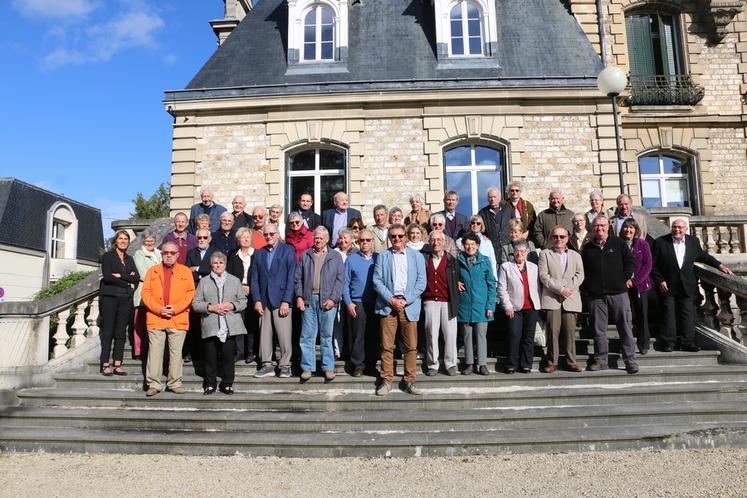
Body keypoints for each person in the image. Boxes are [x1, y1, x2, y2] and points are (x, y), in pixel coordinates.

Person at [652, 218, 733, 352]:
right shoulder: (660, 242)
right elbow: (653, 265)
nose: (677, 230)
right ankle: (669, 343)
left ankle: (687, 342)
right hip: (667, 284)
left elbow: (704, 256)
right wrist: (660, 280)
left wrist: (719, 265)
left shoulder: (693, 242)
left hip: (686, 284)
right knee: (668, 314)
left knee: (688, 314)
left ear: (685, 229)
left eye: (680, 227)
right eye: (674, 227)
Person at [372, 223, 427, 396]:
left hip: (408, 306)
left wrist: (406, 300)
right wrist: (391, 299)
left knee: (411, 347)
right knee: (387, 346)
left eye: (400, 236)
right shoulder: (383, 256)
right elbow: (377, 280)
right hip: (388, 305)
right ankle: (386, 380)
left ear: (405, 237)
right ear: (389, 237)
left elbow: (421, 282)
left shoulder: (416, 256)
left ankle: (409, 381)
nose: (396, 239)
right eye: (393, 236)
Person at [580, 216, 639, 374]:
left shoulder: (618, 243)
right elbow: (582, 271)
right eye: (596, 226)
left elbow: (630, 261)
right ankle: (601, 360)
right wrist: (588, 288)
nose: (599, 228)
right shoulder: (587, 249)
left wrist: (623, 278)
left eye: (602, 225)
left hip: (618, 293)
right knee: (599, 330)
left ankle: (630, 360)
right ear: (592, 228)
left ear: (608, 227)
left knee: (625, 327)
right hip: (596, 296)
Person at [141, 241, 196, 396]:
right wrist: (159, 309)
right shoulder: (152, 271)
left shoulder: (185, 271)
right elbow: (145, 293)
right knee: (155, 353)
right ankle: (154, 384)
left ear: (178, 255)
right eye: (166, 253)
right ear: (162, 254)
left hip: (177, 317)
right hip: (156, 317)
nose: (169, 255)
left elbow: (190, 293)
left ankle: (175, 382)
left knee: (176, 353)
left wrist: (175, 309)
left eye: (173, 253)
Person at [192, 251, 247, 395]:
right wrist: (210, 307)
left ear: (225, 264)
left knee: (229, 357)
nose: (218, 265)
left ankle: (227, 383)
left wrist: (232, 305)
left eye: (221, 262)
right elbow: (196, 303)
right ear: (211, 265)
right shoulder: (204, 281)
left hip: (230, 325)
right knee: (210, 356)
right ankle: (210, 384)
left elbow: (243, 301)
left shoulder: (234, 280)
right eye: (215, 263)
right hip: (211, 324)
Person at [296, 227, 345, 382]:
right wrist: (299, 296)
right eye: (316, 238)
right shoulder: (305, 255)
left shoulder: (335, 256)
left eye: (321, 238)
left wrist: (333, 299)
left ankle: (328, 367)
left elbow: (340, 280)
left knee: (326, 335)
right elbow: (298, 279)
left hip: (327, 301)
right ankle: (307, 368)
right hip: (309, 299)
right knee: (307, 336)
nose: (318, 240)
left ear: (327, 239)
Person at [250, 223, 296, 378]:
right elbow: (254, 279)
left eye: (271, 234)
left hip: (281, 299)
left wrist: (286, 301)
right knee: (264, 334)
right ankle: (266, 364)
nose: (268, 237)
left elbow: (291, 277)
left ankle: (284, 365)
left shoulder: (288, 250)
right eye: (266, 234)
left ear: (277, 234)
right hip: (263, 300)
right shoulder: (259, 253)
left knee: (284, 335)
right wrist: (256, 300)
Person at [538, 226, 584, 373]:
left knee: (570, 331)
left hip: (570, 298)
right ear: (551, 238)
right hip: (552, 298)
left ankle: (571, 361)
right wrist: (560, 290)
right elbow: (543, 276)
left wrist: (567, 289)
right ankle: (552, 362)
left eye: (562, 237)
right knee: (552, 331)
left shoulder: (575, 255)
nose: (558, 239)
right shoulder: (545, 254)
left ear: (568, 238)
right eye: (555, 236)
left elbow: (580, 275)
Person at [99, 230, 139, 376]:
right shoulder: (108, 257)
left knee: (121, 332)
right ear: (115, 241)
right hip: (110, 297)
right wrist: (127, 282)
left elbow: (137, 277)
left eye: (126, 239)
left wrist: (121, 276)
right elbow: (108, 277)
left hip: (125, 299)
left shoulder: (129, 259)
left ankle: (118, 363)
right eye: (120, 238)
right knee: (108, 330)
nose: (123, 241)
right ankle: (105, 363)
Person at [498, 240, 541, 374]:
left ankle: (526, 364)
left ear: (527, 253)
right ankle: (511, 364)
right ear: (513, 253)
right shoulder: (506, 267)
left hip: (531, 307)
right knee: (514, 335)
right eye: (517, 251)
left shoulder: (534, 267)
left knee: (528, 337)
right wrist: (507, 306)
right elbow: (501, 288)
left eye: (522, 251)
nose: (519, 254)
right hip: (514, 308)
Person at [422, 230, 460, 376]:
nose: (436, 242)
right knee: (431, 333)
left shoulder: (451, 259)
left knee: (450, 334)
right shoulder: (425, 258)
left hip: (448, 301)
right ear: (429, 242)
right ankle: (433, 364)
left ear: (444, 242)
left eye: (439, 240)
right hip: (430, 300)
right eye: (433, 240)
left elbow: (457, 279)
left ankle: (451, 364)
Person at [457, 233, 496, 376]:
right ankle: (469, 364)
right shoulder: (458, 260)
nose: (470, 247)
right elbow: (451, 276)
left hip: (481, 305)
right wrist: (455, 283)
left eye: (473, 244)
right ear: (463, 246)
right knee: (467, 336)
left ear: (478, 246)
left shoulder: (485, 261)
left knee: (481, 335)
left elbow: (491, 285)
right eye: (467, 244)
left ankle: (482, 364)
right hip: (465, 305)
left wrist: (490, 306)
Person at [343, 229, 379, 377]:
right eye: (361, 240)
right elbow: (345, 284)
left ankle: (371, 365)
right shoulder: (351, 259)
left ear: (373, 241)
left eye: (367, 240)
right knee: (358, 335)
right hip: (357, 302)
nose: (364, 243)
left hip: (375, 302)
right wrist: (349, 302)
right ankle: (358, 365)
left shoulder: (378, 258)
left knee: (373, 335)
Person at [620, 218, 653, 355]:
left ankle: (643, 344)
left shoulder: (642, 244)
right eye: (626, 227)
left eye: (631, 228)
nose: (628, 230)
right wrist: (624, 281)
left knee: (642, 316)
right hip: (623, 286)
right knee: (625, 317)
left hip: (640, 286)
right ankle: (627, 345)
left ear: (636, 230)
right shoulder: (618, 244)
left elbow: (648, 265)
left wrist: (635, 281)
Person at [227, 227, 256, 364]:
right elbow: (230, 275)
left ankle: (251, 352)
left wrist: (250, 286)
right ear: (238, 240)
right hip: (237, 293)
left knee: (250, 322)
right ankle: (240, 352)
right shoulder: (233, 256)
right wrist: (240, 287)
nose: (245, 239)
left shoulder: (257, 254)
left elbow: (259, 274)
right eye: (243, 237)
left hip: (253, 292)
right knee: (238, 322)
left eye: (247, 237)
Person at [132, 234, 161, 360]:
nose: (149, 243)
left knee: (153, 324)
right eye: (147, 241)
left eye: (152, 240)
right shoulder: (139, 254)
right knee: (140, 324)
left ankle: (150, 349)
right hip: (143, 292)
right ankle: (139, 350)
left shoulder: (160, 253)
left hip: (158, 294)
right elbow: (143, 273)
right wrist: (159, 279)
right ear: (143, 242)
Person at [333, 227, 357, 358]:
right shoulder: (333, 253)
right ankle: (338, 349)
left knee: (351, 323)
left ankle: (350, 349)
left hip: (351, 293)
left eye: (345, 238)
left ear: (352, 240)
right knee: (337, 322)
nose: (342, 241)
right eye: (340, 238)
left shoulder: (357, 253)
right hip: (337, 293)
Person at [456, 215, 498, 282]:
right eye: (473, 223)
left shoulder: (487, 242)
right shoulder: (460, 241)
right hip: (468, 272)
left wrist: (494, 278)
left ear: (481, 226)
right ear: (470, 225)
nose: (475, 225)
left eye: (478, 223)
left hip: (483, 273)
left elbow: (492, 260)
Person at [477, 186, 512, 256]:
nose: (492, 199)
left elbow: (514, 225)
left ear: (499, 197)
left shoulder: (508, 210)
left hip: (508, 247)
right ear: (488, 199)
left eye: (494, 197)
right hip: (492, 249)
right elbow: (479, 229)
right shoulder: (482, 212)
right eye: (490, 197)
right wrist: (482, 236)